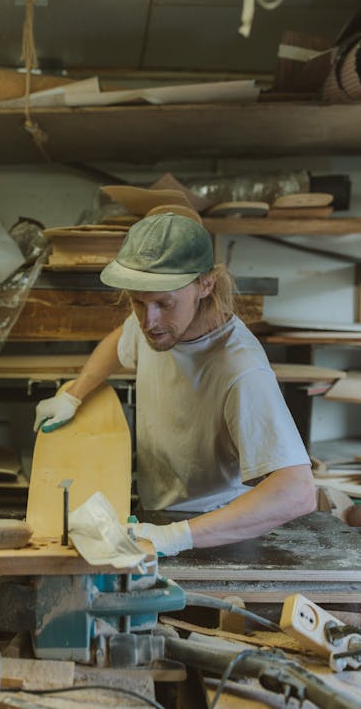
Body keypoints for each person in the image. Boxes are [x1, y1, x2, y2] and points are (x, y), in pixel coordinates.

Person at [34, 211, 316, 555]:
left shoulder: (241, 372)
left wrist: (175, 537)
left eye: (163, 304)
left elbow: (298, 492)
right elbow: (120, 339)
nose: (149, 321)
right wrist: (74, 395)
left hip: (213, 528)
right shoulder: (158, 322)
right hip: (156, 514)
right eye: (138, 302)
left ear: (205, 284)